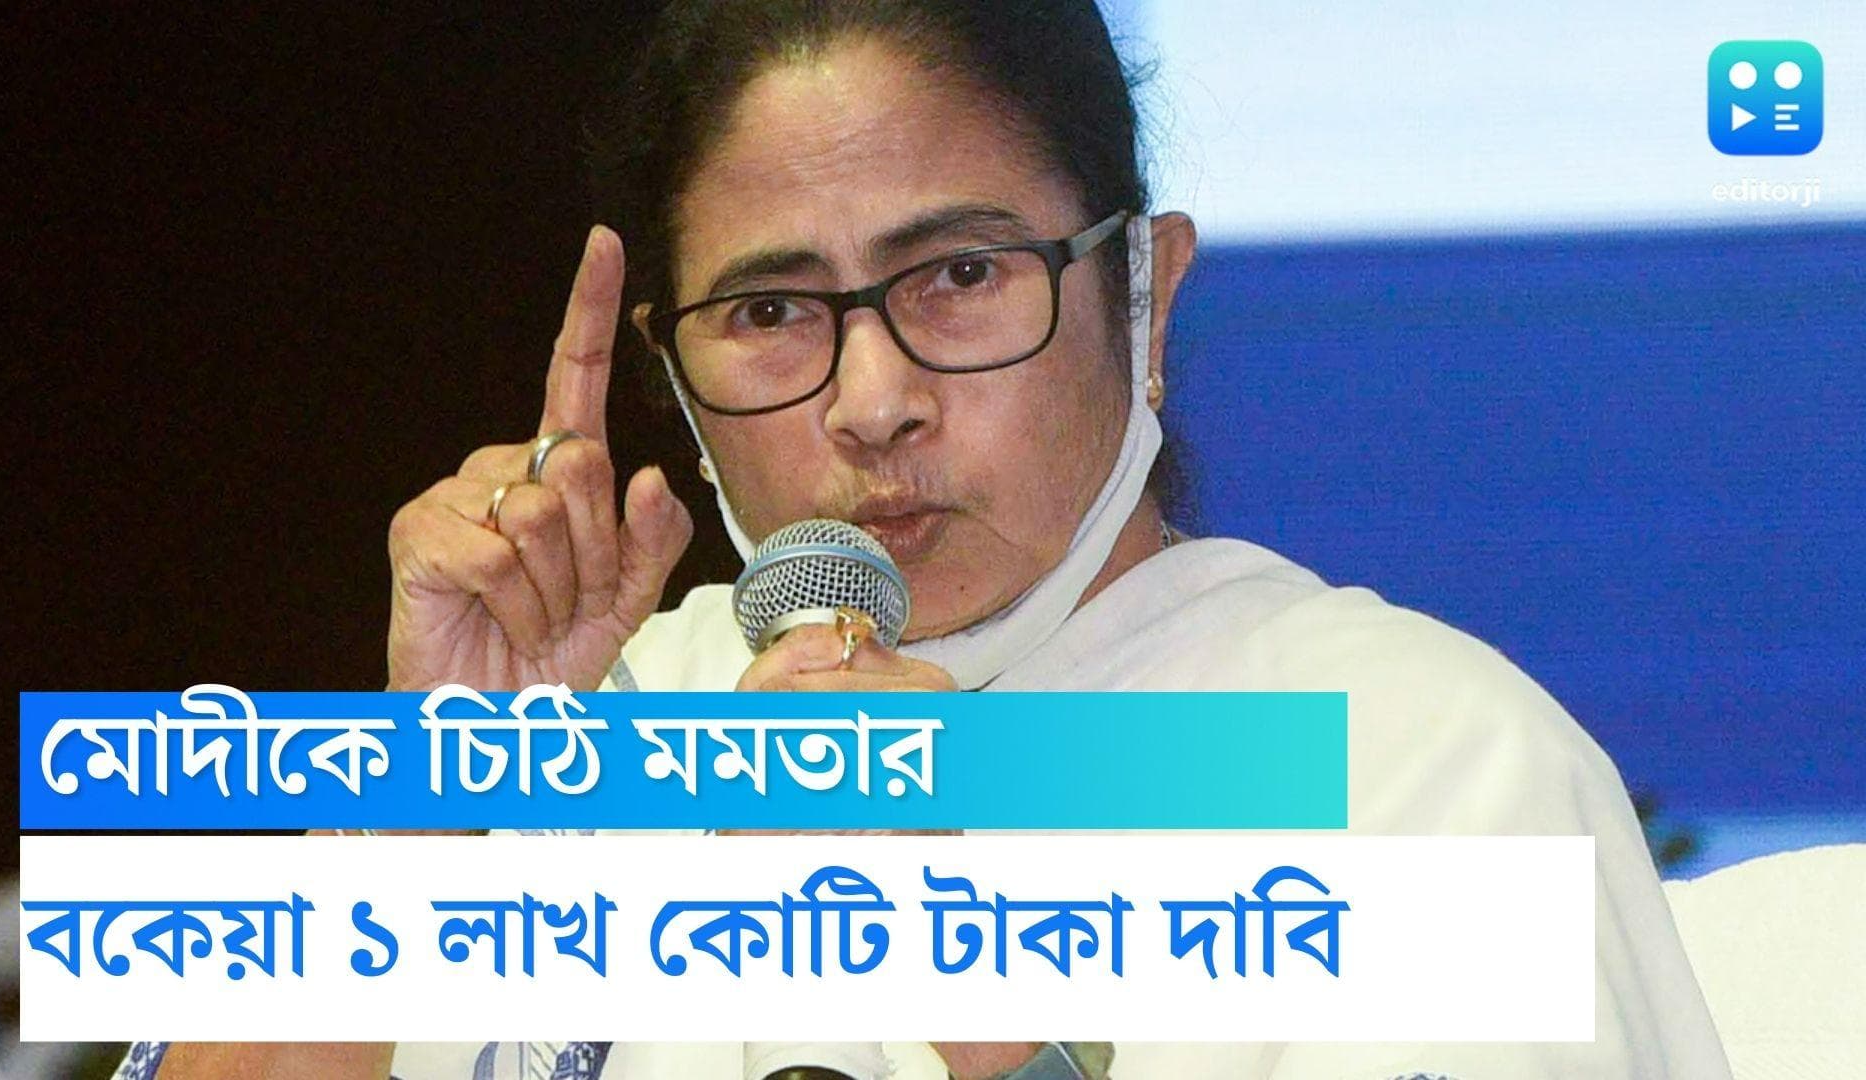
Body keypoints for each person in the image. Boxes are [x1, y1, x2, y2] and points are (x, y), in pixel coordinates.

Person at [137, 1, 1732, 1077]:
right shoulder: (599, 738)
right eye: (773, 313)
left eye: (960, 278)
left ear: (1143, 293)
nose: (874, 402)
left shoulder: (1426, 769)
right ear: (673, 383)